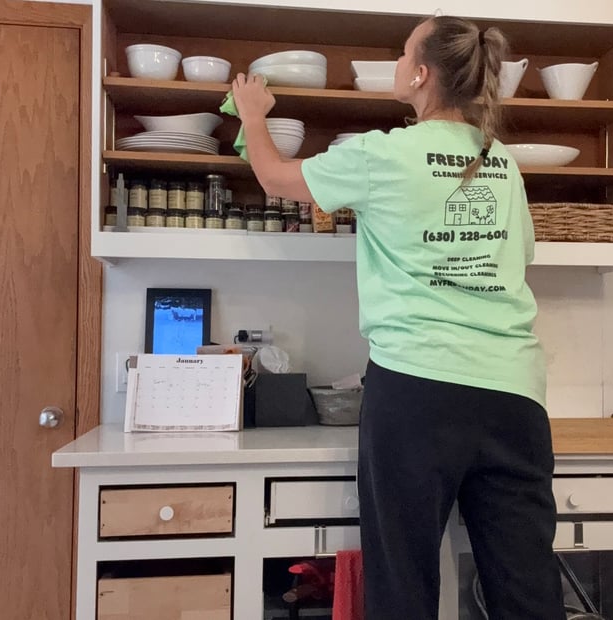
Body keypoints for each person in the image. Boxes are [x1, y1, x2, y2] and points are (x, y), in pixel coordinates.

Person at [232, 14, 565, 620]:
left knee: (403, 582)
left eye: (402, 52)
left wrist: (252, 113)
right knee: (526, 589)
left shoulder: (380, 155)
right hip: (515, 395)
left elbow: (274, 178)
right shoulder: (503, 163)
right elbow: (518, 259)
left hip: (418, 390)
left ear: (419, 73)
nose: (395, 62)